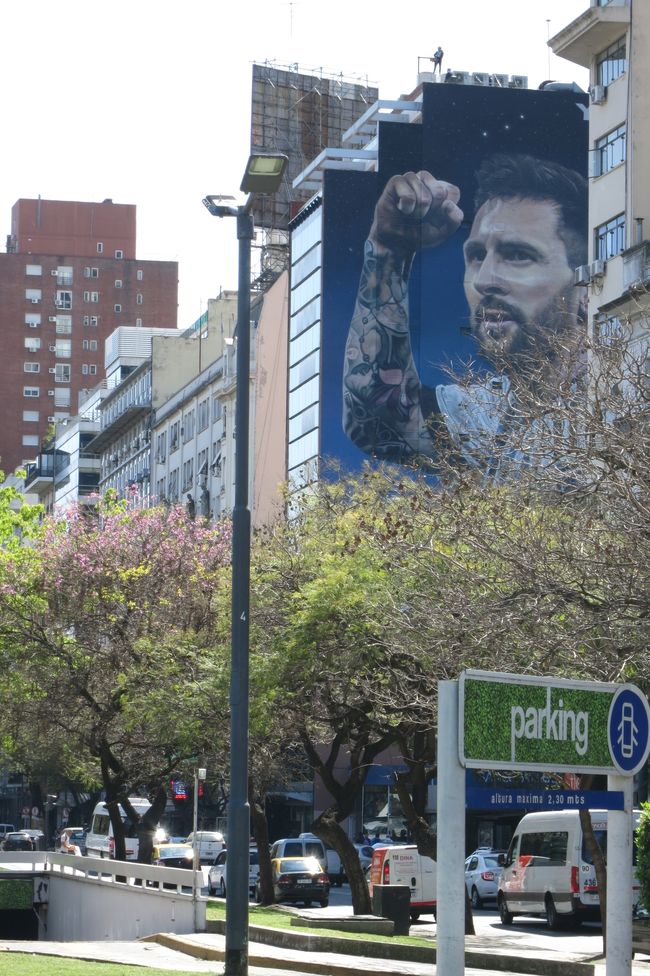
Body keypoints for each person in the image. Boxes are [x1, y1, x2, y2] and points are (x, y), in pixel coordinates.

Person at [342, 153, 587, 478]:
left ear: (586, 287)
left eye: (517, 255)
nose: (484, 279)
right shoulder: (493, 410)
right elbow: (375, 418)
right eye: (476, 255)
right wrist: (389, 249)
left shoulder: (628, 398)